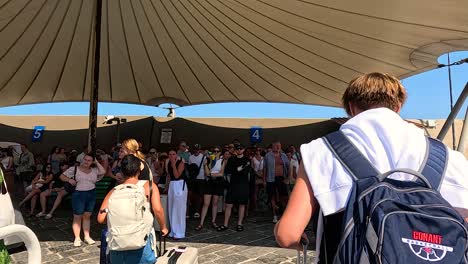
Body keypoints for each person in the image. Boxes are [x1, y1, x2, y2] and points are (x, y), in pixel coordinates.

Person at [274, 72, 468, 262]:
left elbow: (288, 234)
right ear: (398, 106)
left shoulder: (320, 150)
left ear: (351, 107)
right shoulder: (447, 156)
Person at [97, 155, 168, 263]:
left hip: (117, 245)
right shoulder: (149, 186)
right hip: (141, 244)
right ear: (140, 169)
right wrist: (163, 228)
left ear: (122, 171)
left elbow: (100, 218)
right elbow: (158, 210)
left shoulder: (114, 191)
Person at [61, 153, 106, 247]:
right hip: (78, 194)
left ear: (92, 162)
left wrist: (97, 162)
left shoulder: (94, 170)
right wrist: (69, 180)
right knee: (77, 216)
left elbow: (103, 171)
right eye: (85, 159)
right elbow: (62, 176)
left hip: (91, 193)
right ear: (82, 159)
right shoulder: (74, 169)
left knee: (87, 215)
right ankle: (77, 238)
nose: (86, 162)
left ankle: (87, 236)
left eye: (89, 160)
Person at [218, 144, 251, 232]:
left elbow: (245, 172)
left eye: (241, 148)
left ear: (243, 149)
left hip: (243, 185)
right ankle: (225, 224)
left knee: (242, 205)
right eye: (237, 149)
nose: (239, 150)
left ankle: (239, 224)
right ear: (235, 150)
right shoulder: (232, 159)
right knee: (228, 204)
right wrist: (240, 168)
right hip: (233, 184)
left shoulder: (247, 160)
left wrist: (236, 170)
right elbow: (228, 171)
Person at [195, 146, 226, 231]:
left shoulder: (222, 160)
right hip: (209, 182)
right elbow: (207, 173)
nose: (215, 153)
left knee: (215, 203)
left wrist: (212, 174)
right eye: (214, 151)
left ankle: (213, 221)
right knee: (206, 203)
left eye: (217, 151)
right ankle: (201, 223)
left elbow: (221, 174)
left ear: (220, 152)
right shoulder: (208, 160)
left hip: (217, 182)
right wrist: (210, 162)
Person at [263, 141, 290, 223]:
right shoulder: (268, 156)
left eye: (279, 145)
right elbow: (265, 168)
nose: (278, 147)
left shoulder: (283, 155)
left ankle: (283, 213)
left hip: (281, 178)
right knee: (272, 196)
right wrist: (264, 180)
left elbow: (288, 167)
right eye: (276, 146)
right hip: (271, 178)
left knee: (284, 196)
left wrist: (287, 178)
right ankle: (274, 215)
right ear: (272, 147)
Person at [166, 149, 187, 239]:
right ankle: (173, 230)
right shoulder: (168, 163)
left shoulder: (180, 163)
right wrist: (167, 187)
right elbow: (169, 176)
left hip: (180, 184)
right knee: (171, 208)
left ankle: (179, 232)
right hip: (172, 185)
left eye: (173, 154)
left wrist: (174, 165)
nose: (171, 156)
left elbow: (177, 175)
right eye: (170, 154)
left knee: (179, 209)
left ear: (176, 155)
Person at [188, 144, 207, 219]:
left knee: (199, 195)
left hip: (201, 178)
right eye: (195, 149)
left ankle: (197, 210)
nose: (196, 151)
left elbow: (205, 167)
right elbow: (190, 168)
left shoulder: (203, 157)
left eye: (198, 149)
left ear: (200, 150)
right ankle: (193, 209)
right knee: (192, 194)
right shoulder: (190, 157)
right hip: (193, 178)